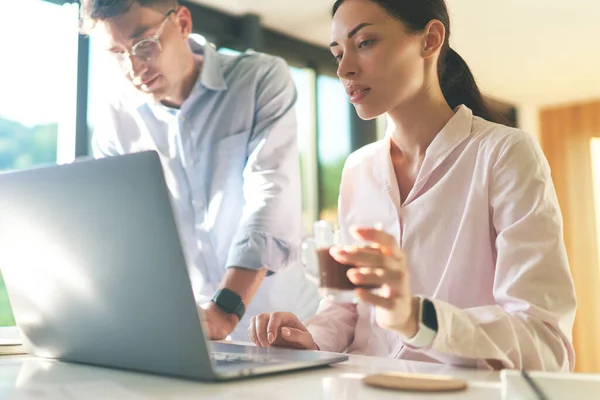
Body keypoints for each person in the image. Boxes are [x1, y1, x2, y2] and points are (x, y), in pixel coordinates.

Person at [248, 0, 577, 371]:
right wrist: (312, 337)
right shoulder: (358, 169)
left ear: (430, 40)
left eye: (366, 42)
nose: (344, 69)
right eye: (338, 53)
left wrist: (417, 319)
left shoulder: (505, 154)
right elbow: (347, 305)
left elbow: (546, 344)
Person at [80, 0, 318, 340]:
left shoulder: (259, 79)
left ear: (182, 23)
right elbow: (126, 234)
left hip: (281, 325)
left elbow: (270, 198)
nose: (134, 67)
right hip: (195, 331)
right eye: (117, 54)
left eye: (144, 44)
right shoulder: (116, 123)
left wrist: (224, 310)